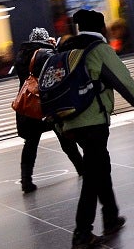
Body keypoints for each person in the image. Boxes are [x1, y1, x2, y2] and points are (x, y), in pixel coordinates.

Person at [54, 8, 134, 249]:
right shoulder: (99, 50)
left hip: (70, 123)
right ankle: (82, 232)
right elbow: (122, 80)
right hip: (93, 121)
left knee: (100, 165)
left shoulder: (66, 50)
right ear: (101, 28)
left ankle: (111, 216)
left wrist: (59, 123)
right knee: (92, 174)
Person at [13, 27, 83, 194]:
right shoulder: (45, 53)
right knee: (64, 137)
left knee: (30, 143)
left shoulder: (21, 55)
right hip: (47, 104)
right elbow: (57, 72)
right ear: (45, 39)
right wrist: (53, 48)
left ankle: (26, 180)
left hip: (30, 106)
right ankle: (81, 167)